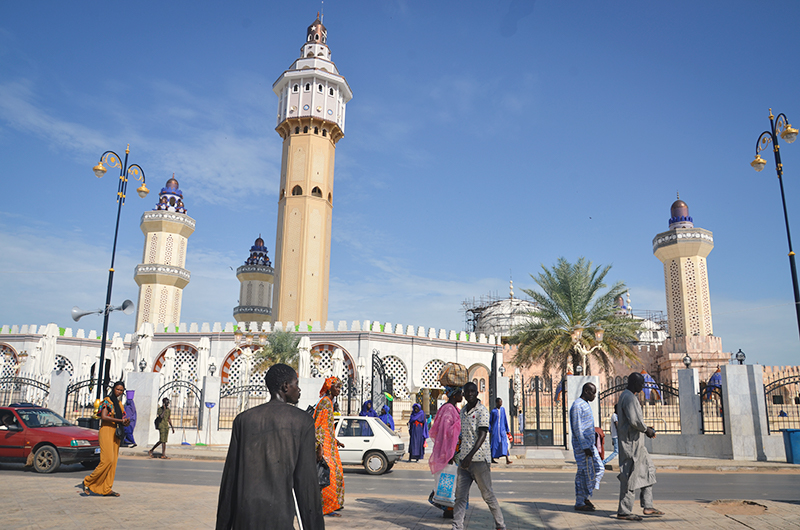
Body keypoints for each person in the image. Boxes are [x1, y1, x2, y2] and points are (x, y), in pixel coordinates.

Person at [216, 364, 324, 530]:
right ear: (285, 386)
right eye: (296, 384)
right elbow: (307, 484)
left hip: (245, 517)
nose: (299, 389)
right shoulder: (303, 422)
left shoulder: (243, 420)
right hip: (279, 518)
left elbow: (229, 481)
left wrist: (222, 526)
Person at [452, 382, 506, 530]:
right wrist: (456, 454)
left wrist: (470, 456)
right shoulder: (463, 411)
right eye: (467, 391)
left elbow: (482, 435)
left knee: (487, 495)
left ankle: (500, 525)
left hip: (479, 460)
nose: (470, 394)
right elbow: (462, 435)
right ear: (463, 394)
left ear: (477, 393)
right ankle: (457, 526)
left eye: (472, 391)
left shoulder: (482, 411)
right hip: (464, 462)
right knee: (460, 497)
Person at [616, 372, 664, 521]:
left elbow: (636, 421)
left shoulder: (630, 397)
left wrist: (645, 428)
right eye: (641, 383)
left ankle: (648, 505)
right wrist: (646, 430)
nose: (642, 386)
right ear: (634, 383)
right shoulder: (628, 397)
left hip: (638, 444)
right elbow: (634, 421)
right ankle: (624, 511)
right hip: (631, 445)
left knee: (649, 470)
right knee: (630, 476)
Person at [83, 381, 130, 497]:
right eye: (117, 389)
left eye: (121, 390)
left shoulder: (119, 404)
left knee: (113, 462)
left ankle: (107, 488)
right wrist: (120, 421)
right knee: (107, 460)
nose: (119, 392)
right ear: (113, 389)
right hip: (106, 431)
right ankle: (88, 481)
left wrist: (125, 422)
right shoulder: (107, 401)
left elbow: (122, 417)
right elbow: (104, 417)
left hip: (116, 433)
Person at [428, 386, 462, 519]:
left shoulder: (453, 409)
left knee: (453, 481)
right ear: (454, 395)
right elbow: (446, 432)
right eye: (460, 394)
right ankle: (449, 509)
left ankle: (450, 509)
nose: (462, 396)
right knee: (452, 481)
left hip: (455, 450)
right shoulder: (448, 410)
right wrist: (450, 453)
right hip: (452, 451)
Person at [570, 383, 604, 512]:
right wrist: (584, 446)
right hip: (582, 447)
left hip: (590, 445)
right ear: (586, 391)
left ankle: (585, 495)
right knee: (583, 473)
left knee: (598, 468)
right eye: (592, 393)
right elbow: (577, 428)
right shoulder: (577, 405)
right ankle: (580, 501)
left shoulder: (585, 404)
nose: (594, 396)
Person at [315, 376, 345, 516]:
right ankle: (326, 508)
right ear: (329, 387)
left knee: (336, 474)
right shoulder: (325, 403)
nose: (338, 390)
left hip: (330, 444)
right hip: (324, 446)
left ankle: (334, 505)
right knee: (329, 476)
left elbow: (327, 426)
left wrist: (335, 440)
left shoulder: (329, 403)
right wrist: (319, 447)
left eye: (340, 387)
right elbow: (318, 425)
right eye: (336, 387)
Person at [490, 397, 512, 465]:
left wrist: (507, 429)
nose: (501, 403)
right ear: (497, 403)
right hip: (495, 430)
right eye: (500, 402)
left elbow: (505, 420)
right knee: (494, 444)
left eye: (501, 402)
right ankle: (492, 458)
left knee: (504, 443)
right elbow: (490, 421)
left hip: (502, 430)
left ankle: (507, 459)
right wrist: (490, 430)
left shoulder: (503, 410)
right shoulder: (493, 411)